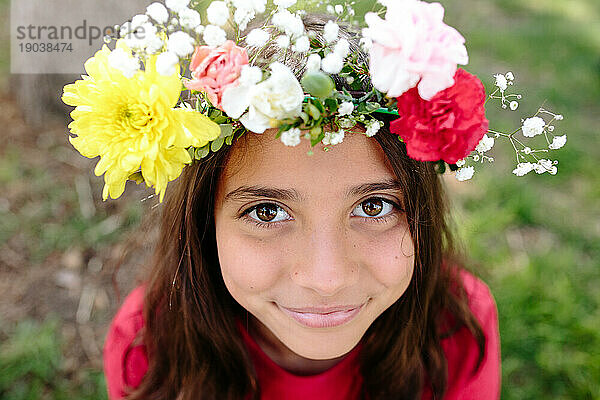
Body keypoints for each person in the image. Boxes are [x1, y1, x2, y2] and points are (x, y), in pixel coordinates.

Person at [61, 1, 568, 398]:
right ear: (202, 223)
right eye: (266, 212)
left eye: (374, 206)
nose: (326, 278)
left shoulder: (458, 330)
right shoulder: (149, 349)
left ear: (421, 213)